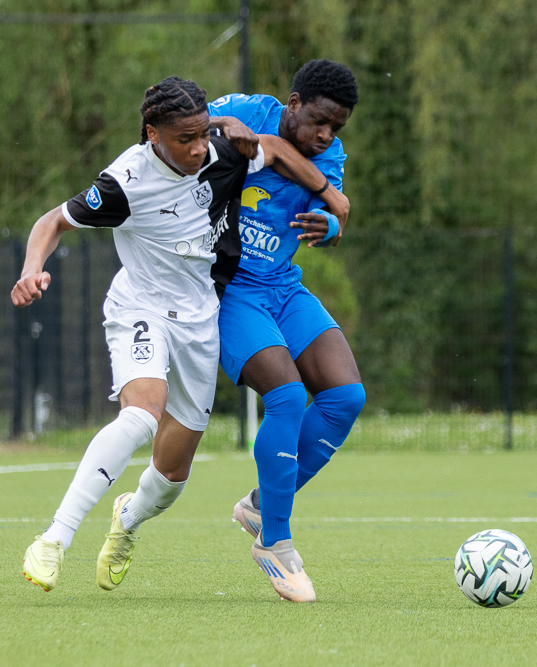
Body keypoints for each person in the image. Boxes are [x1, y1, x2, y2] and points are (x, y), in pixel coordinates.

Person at [12, 75, 348, 594]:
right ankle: (54, 538)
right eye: (184, 140)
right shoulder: (124, 182)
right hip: (140, 305)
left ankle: (128, 522)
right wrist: (31, 269)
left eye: (201, 135)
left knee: (171, 480)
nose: (197, 150)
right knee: (142, 414)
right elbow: (51, 222)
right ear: (152, 134)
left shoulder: (221, 152)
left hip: (200, 317)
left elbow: (277, 150)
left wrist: (331, 199)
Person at [207, 60, 365, 602]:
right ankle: (275, 542)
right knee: (288, 397)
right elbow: (190, 128)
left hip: (282, 285)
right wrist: (221, 127)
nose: (326, 136)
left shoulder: (331, 156)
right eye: (320, 121)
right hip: (230, 289)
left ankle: (259, 506)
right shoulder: (250, 109)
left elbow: (337, 212)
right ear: (292, 103)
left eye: (336, 127)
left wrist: (333, 225)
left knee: (346, 397)